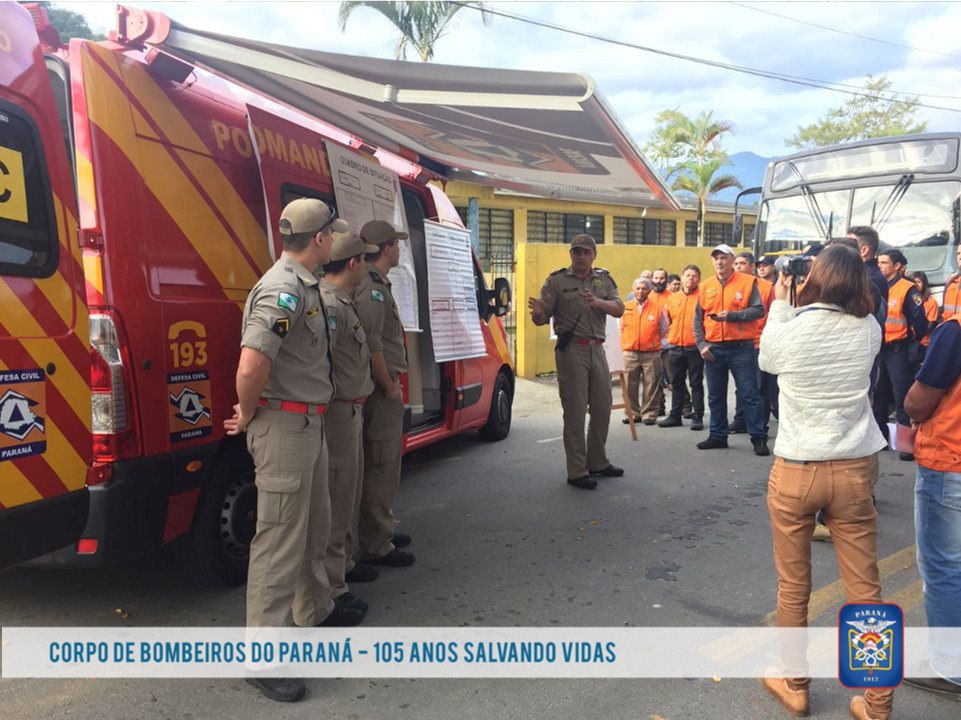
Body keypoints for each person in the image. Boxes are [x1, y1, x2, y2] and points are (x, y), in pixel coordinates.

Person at [225, 197, 354, 703]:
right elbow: (251, 365)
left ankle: (315, 610)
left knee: (313, 527)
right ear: (319, 239)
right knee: (278, 543)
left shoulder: (306, 285)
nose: (333, 240)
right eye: (331, 234)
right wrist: (247, 412)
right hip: (284, 427)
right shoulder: (282, 289)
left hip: (307, 424)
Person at [758, 244, 893, 720]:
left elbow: (768, 358)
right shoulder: (870, 328)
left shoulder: (792, 327)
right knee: (865, 589)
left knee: (794, 587)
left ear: (813, 278)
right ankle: (877, 703)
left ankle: (796, 686)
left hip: (797, 468)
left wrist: (781, 300)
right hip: (854, 471)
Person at [314, 230, 378, 618]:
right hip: (337, 415)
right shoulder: (329, 305)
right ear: (353, 263)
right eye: (364, 260)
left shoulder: (340, 301)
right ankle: (333, 589)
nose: (367, 266)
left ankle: (344, 567)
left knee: (347, 496)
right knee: (336, 504)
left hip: (349, 411)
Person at [528, 234, 625, 490]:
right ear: (571, 254)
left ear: (594, 254)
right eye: (576, 252)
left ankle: (597, 461)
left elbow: (619, 308)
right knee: (575, 410)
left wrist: (597, 302)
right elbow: (541, 318)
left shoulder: (603, 279)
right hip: (572, 351)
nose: (581, 256)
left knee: (602, 407)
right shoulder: (557, 281)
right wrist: (538, 313)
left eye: (585, 252)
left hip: (598, 349)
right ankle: (577, 470)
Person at [903, 314, 961, 697]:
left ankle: (950, 668)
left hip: (951, 461)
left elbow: (919, 401)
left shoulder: (955, 330)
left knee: (944, 568)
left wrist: (911, 411)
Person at [352, 220, 415, 570]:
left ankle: (381, 529)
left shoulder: (375, 283)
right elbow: (371, 343)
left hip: (381, 386)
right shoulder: (372, 288)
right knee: (381, 464)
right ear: (387, 249)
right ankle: (376, 544)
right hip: (380, 388)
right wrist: (389, 386)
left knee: (384, 463)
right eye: (397, 244)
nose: (399, 249)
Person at [694, 244, 769, 455]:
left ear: (732, 260)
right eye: (716, 258)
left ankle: (758, 438)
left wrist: (732, 316)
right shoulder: (705, 286)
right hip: (713, 349)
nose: (719, 261)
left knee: (749, 395)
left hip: (741, 348)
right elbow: (697, 320)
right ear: (712, 261)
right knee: (715, 397)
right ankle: (718, 436)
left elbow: (759, 310)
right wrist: (701, 345)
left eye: (724, 258)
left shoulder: (747, 282)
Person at [874, 249, 928, 461]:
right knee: (878, 395)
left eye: (884, 263)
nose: (880, 266)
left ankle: (906, 445)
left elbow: (919, 320)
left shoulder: (907, 288)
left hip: (898, 350)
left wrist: (911, 341)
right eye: (878, 262)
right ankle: (880, 439)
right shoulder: (878, 286)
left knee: (902, 398)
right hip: (880, 349)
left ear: (897, 266)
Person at [730, 251, 773, 434]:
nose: (738, 267)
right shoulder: (731, 286)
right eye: (736, 264)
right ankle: (740, 419)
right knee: (741, 385)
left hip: (759, 342)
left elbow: (773, 315)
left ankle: (760, 424)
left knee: (759, 387)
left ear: (751, 266)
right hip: (738, 342)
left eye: (742, 264)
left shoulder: (766, 287)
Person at [659, 264, 704, 430]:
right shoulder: (672, 298)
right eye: (688, 275)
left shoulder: (703, 297)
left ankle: (697, 416)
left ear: (698, 279)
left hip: (695, 348)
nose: (690, 278)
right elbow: (668, 320)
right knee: (676, 383)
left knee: (696, 383)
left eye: (694, 276)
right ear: (682, 277)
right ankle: (675, 415)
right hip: (675, 347)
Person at [620, 278, 668, 425]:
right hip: (629, 352)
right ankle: (632, 413)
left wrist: (653, 343)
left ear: (649, 291)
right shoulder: (624, 307)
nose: (641, 291)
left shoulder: (657, 308)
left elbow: (664, 329)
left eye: (644, 288)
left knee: (651, 384)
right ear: (633, 290)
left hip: (651, 352)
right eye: (638, 288)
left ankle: (649, 414)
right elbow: (620, 329)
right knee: (628, 384)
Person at [909, 270, 941, 360]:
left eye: (918, 282)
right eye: (914, 281)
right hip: (908, 343)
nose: (916, 284)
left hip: (924, 343)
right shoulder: (907, 300)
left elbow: (931, 324)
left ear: (924, 284)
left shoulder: (931, 302)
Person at [939, 244, 961, 320]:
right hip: (949, 326)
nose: (960, 257)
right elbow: (943, 309)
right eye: (958, 253)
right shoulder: (951, 280)